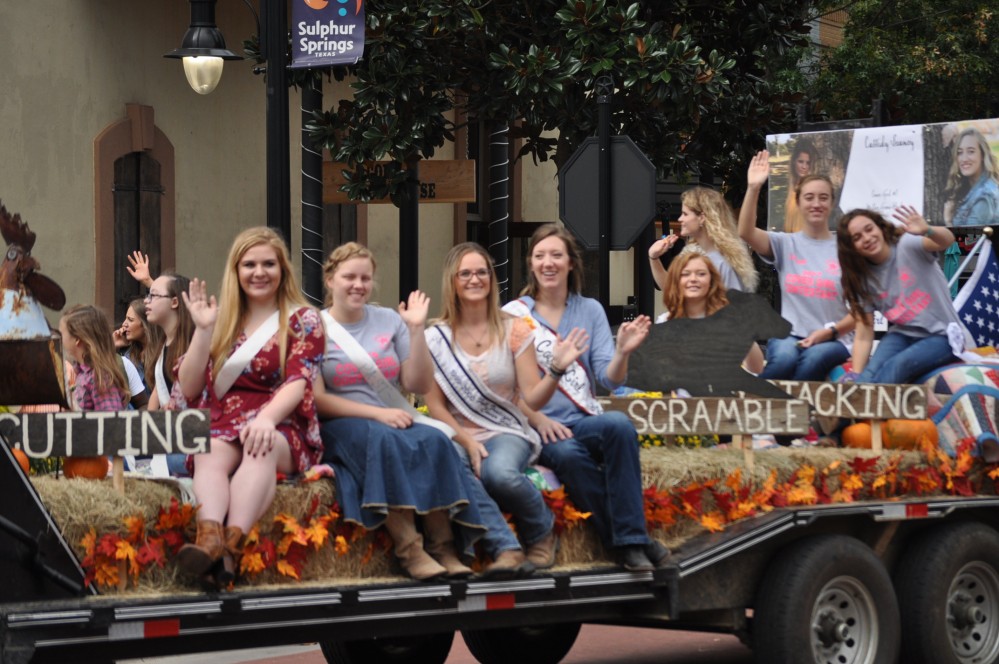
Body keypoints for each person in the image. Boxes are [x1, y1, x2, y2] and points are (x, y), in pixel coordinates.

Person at [315, 242, 527, 580]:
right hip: (342, 423)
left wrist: (415, 331)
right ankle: (410, 549)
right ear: (330, 279)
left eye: (365, 278)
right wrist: (377, 414)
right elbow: (317, 399)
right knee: (384, 440)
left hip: (394, 416)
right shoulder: (314, 326)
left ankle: (443, 547)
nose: (358, 285)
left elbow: (416, 383)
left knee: (436, 440)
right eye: (349, 277)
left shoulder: (388, 319)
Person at [504, 224, 669, 571]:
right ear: (531, 264)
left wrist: (622, 352)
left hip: (582, 419)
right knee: (568, 455)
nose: (548, 263)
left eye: (556, 255)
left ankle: (629, 540)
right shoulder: (513, 315)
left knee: (620, 427)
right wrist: (539, 419)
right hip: (537, 427)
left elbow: (607, 379)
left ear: (570, 263)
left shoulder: (590, 310)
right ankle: (631, 543)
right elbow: (504, 388)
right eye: (540, 256)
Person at [424, 242, 587, 570]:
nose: (474, 279)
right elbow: (436, 407)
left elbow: (532, 397)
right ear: (452, 281)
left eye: (482, 272)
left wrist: (555, 370)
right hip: (456, 432)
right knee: (454, 469)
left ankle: (542, 532)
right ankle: (506, 547)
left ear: (491, 278)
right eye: (465, 273)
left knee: (498, 474)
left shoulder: (514, 328)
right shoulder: (434, 337)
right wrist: (467, 442)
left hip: (505, 429)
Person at [175, 227, 324, 586]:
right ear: (236, 270)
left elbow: (298, 381)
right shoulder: (220, 317)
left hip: (283, 424)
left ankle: (230, 546)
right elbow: (190, 386)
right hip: (225, 422)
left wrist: (267, 419)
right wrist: (202, 331)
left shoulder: (303, 320)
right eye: (250, 264)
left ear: (283, 269)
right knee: (208, 449)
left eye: (268, 264)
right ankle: (209, 540)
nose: (259, 272)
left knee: (262, 446)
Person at [738, 150, 855, 381]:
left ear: (832, 203)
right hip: (790, 335)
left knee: (811, 362)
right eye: (809, 197)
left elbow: (863, 310)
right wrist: (753, 188)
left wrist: (832, 332)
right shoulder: (785, 243)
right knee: (783, 360)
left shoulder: (847, 248)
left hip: (835, 337)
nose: (816, 204)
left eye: (823, 198)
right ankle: (751, 404)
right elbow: (745, 232)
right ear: (799, 202)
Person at [837, 207, 970, 383]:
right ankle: (858, 407)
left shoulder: (907, 244)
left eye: (869, 229)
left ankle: (878, 409)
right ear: (851, 247)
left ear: (880, 227)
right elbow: (863, 334)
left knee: (897, 366)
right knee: (868, 377)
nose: (867, 238)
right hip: (900, 335)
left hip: (942, 336)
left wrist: (928, 230)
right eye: (857, 238)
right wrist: (856, 374)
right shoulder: (861, 277)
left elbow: (947, 241)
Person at [661, 249, 764, 374]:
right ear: (676, 281)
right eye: (685, 274)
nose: (693, 279)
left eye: (701, 274)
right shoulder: (665, 321)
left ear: (711, 281)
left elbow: (757, 368)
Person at [648, 187, 758, 294]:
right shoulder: (691, 250)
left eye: (685, 214)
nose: (680, 219)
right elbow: (672, 289)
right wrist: (654, 257)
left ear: (701, 218)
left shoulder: (724, 258)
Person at [144, 271, 195, 476]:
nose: (146, 301)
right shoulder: (164, 344)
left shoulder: (193, 344)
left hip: (190, 446)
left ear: (175, 302)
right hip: (172, 439)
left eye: (152, 296)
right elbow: (160, 388)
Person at [60, 305, 130, 414]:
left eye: (62, 333)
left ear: (77, 339)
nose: (59, 338)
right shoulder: (81, 373)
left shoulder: (99, 378)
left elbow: (111, 421)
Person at [943, 127, 999, 227]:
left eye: (971, 151)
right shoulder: (971, 186)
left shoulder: (984, 197)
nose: (964, 159)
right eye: (960, 152)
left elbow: (969, 240)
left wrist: (948, 222)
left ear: (982, 155)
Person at [113, 298, 164, 390]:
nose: (124, 324)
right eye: (126, 318)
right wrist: (114, 346)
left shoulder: (163, 354)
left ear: (146, 325)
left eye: (130, 320)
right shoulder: (128, 354)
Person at [783, 140, 816, 233]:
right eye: (801, 162)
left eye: (808, 163)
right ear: (794, 161)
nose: (804, 167)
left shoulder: (810, 187)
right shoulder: (792, 184)